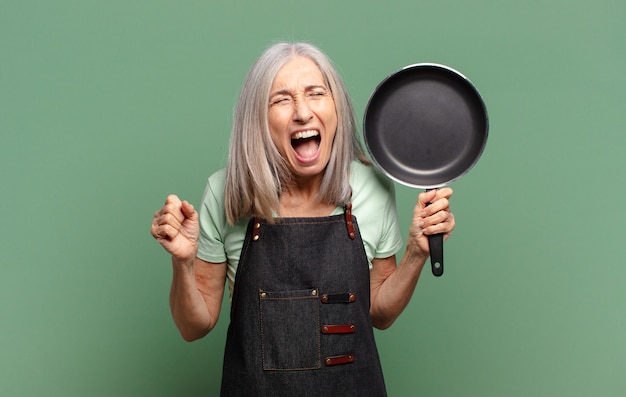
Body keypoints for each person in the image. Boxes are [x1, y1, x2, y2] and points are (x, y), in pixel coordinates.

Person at [150, 42, 455, 396]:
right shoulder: (226, 192)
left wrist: (417, 254)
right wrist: (183, 263)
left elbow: (380, 314)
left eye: (316, 93)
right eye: (281, 99)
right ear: (258, 120)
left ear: (336, 107)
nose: (302, 112)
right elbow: (193, 327)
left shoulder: (372, 187)